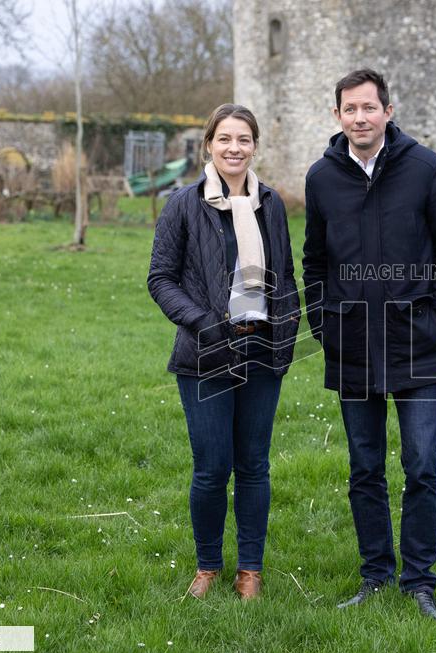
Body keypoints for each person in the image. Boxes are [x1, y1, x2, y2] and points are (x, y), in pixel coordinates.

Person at [302, 69, 436, 623]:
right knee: (364, 468)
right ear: (337, 116)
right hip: (351, 347)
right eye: (350, 109)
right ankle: (375, 575)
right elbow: (315, 261)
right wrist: (326, 325)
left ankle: (419, 582)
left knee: (422, 465)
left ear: (388, 111)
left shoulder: (425, 168)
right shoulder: (321, 178)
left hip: (417, 346)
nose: (360, 117)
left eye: (369, 108)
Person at [148, 103, 299, 600]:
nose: (235, 148)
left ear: (255, 147)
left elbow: (287, 278)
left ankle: (250, 570)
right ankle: (209, 565)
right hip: (205, 353)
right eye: (225, 139)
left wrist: (284, 333)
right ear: (209, 145)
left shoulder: (271, 204)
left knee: (254, 464)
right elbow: (161, 279)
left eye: (245, 140)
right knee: (212, 467)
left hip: (261, 349)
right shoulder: (183, 204)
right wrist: (204, 324)